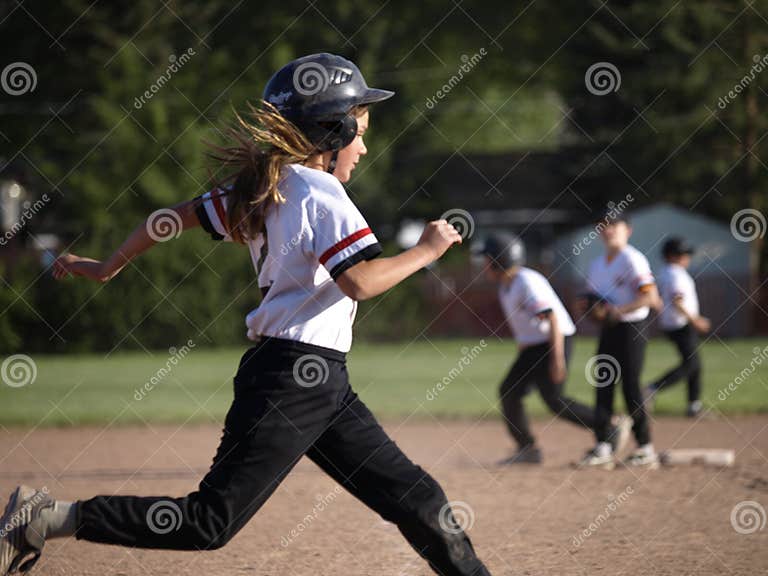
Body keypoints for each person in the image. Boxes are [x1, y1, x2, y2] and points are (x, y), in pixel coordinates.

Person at [0, 53, 492, 576]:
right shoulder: (321, 192)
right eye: (360, 133)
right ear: (335, 131)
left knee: (417, 497)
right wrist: (426, 252)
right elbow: (361, 282)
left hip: (315, 380)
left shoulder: (268, 186)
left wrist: (108, 266)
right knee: (208, 521)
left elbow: (172, 217)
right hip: (292, 380)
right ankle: (47, 517)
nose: (364, 148)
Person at [481, 233, 630, 465]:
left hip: (554, 340)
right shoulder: (506, 286)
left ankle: (609, 425)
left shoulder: (525, 282)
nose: (484, 265)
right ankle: (527, 448)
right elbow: (526, 326)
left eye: (487, 259)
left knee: (554, 400)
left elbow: (552, 318)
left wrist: (557, 359)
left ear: (499, 260)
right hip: (533, 347)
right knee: (509, 391)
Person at [576, 212, 661, 469]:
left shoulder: (632, 259)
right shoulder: (597, 264)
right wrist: (587, 307)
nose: (608, 229)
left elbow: (650, 297)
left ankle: (645, 448)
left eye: (614, 224)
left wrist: (616, 311)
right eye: (603, 225)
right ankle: (603, 445)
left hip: (632, 328)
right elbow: (591, 299)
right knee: (603, 383)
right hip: (609, 330)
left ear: (628, 230)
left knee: (630, 387)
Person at [645, 237, 710, 417]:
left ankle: (693, 405)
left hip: (674, 323)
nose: (687, 258)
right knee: (691, 363)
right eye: (683, 254)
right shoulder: (675, 274)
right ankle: (652, 388)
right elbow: (677, 300)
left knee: (694, 363)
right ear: (672, 256)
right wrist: (695, 320)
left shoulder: (666, 272)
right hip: (680, 324)